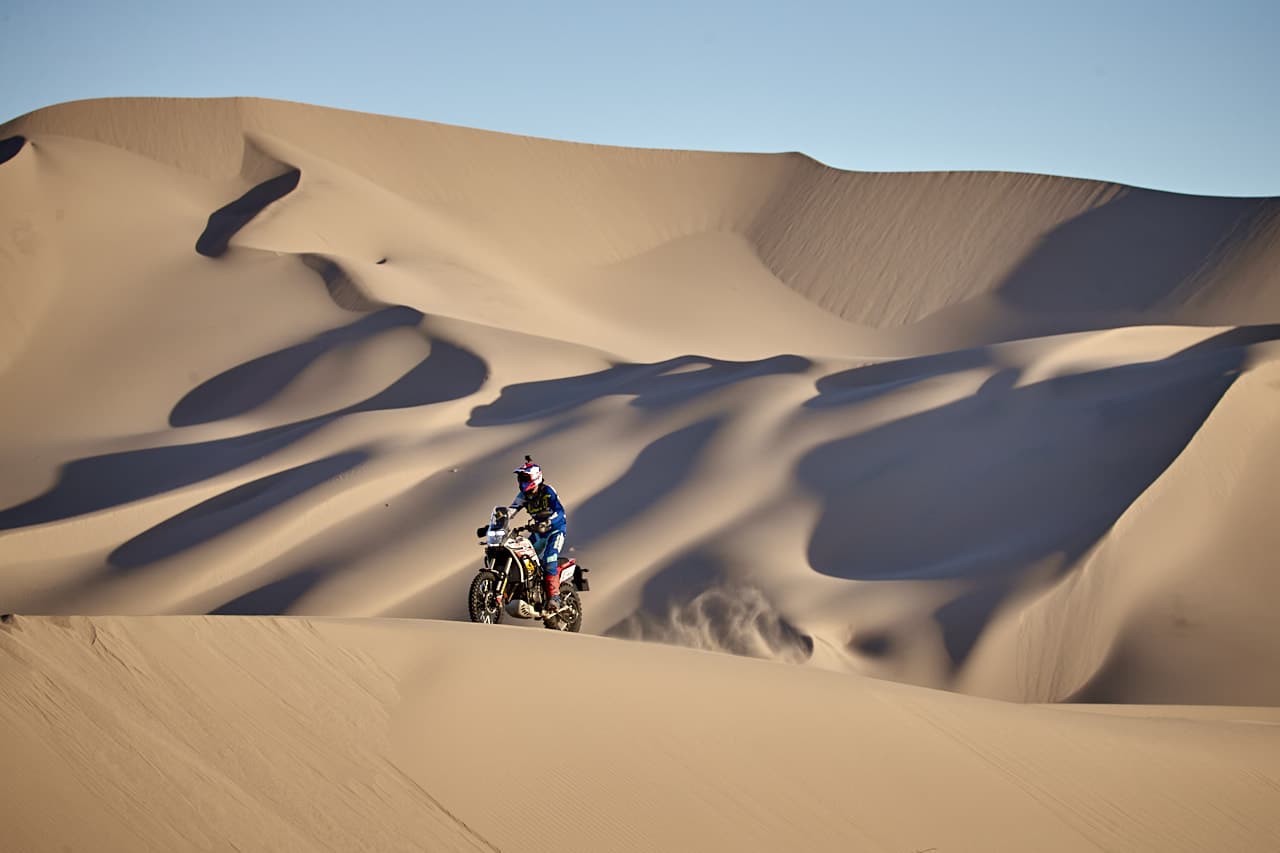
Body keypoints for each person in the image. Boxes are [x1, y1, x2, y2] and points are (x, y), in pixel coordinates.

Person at [509, 456, 568, 613]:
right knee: (525, 557)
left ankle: (555, 597)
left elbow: (560, 512)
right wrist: (498, 521)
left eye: (525, 478)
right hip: (538, 532)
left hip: (555, 530)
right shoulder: (523, 496)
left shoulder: (547, 492)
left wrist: (549, 522)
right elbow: (511, 510)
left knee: (549, 558)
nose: (522, 481)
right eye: (521, 478)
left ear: (535, 477)